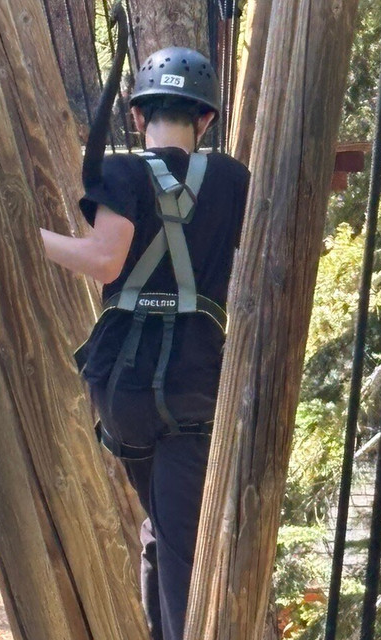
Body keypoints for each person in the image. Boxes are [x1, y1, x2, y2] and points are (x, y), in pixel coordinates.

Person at [40, 46, 249, 640]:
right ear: (205, 119)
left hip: (124, 386)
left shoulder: (122, 172)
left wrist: (30, 239)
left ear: (137, 116)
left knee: (159, 525)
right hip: (195, 382)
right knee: (182, 540)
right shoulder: (233, 179)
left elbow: (105, 260)